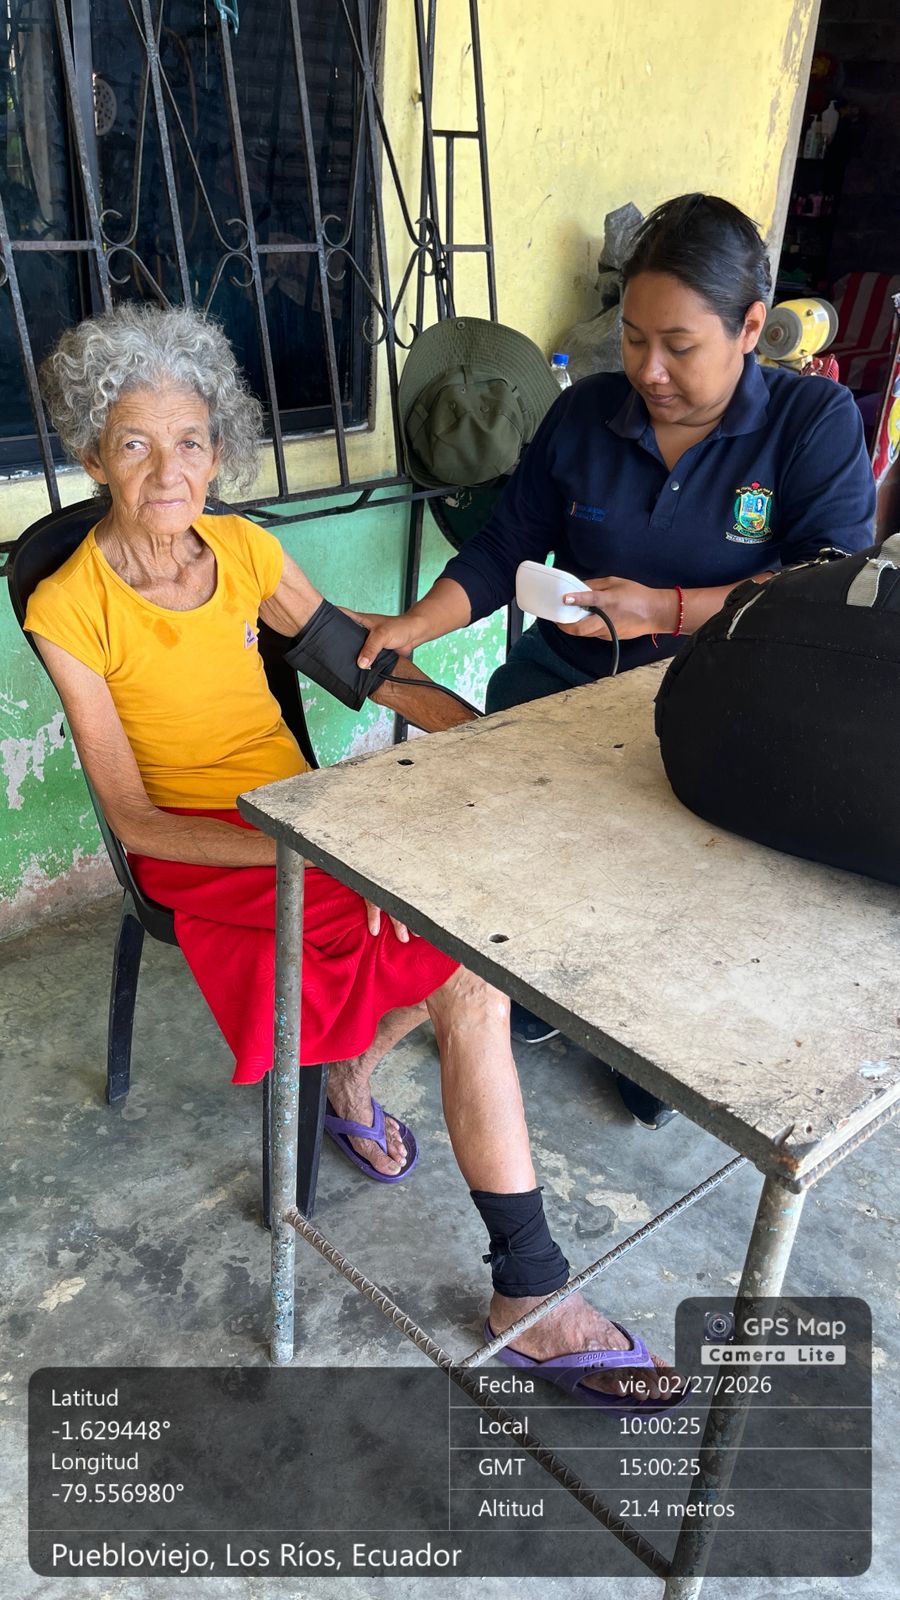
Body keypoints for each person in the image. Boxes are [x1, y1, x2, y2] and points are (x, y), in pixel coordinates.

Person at [24, 301, 682, 1407]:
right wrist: (313, 848)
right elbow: (134, 821)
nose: (170, 472)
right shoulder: (67, 607)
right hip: (207, 848)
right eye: (135, 444)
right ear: (94, 456)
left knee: (481, 916)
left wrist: (475, 736)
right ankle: (530, 1290)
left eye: (191, 441)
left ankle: (351, 1074)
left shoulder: (241, 549)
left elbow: (350, 657)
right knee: (468, 972)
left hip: (308, 816)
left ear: (219, 450)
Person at [357, 192, 877, 1127]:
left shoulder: (811, 421)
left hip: (718, 703)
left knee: (670, 892)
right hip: (558, 690)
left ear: (749, 328)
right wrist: (414, 626)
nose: (649, 370)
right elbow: (503, 547)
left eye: (679, 345)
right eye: (634, 339)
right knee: (497, 851)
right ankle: (522, 991)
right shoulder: (587, 414)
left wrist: (667, 609)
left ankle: (637, 1029)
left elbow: (825, 584)